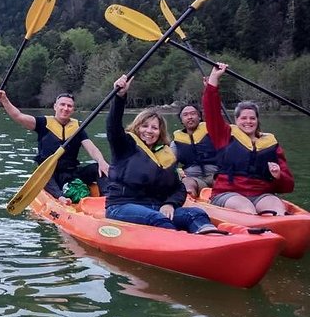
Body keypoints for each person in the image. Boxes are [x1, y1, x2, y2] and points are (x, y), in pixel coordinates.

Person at [104, 75, 220, 234]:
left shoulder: (166, 155)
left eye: (154, 128)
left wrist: (170, 204)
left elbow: (178, 188)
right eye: (145, 126)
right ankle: (183, 248)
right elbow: (113, 125)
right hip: (122, 206)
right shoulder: (124, 145)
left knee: (196, 213)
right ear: (137, 127)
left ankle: (212, 238)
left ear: (160, 132)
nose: (149, 131)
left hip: (157, 207)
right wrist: (119, 96)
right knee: (158, 220)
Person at [203, 63, 294, 215]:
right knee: (246, 209)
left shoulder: (270, 143)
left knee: (277, 209)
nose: (248, 121)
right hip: (228, 194)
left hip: (261, 195)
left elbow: (288, 186)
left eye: (252, 118)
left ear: (257, 120)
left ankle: (279, 226)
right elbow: (211, 109)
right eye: (243, 118)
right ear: (236, 120)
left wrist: (279, 176)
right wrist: (214, 78)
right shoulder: (224, 134)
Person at [0, 89, 109, 203]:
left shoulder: (77, 128)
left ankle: (108, 199)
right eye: (62, 105)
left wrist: (101, 161)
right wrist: (4, 100)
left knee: (97, 167)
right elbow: (18, 116)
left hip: (71, 173)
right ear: (55, 106)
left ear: (73, 109)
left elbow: (92, 148)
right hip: (49, 174)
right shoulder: (42, 123)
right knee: (44, 176)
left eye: (69, 106)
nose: (65, 108)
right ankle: (60, 197)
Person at [170, 104, 219, 197]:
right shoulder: (175, 143)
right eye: (185, 115)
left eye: (193, 114)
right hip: (194, 179)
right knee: (186, 183)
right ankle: (191, 199)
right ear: (181, 120)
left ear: (199, 117)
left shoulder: (213, 134)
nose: (190, 117)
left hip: (216, 176)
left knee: (227, 181)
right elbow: (170, 165)